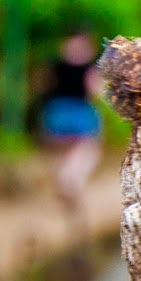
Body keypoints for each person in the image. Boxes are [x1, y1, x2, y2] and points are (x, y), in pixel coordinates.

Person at [40, 31, 103, 210]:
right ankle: (70, 181)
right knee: (86, 151)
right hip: (80, 114)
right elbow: (94, 91)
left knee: (60, 155)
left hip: (55, 114)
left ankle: (63, 180)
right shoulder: (88, 67)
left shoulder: (55, 64)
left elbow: (46, 86)